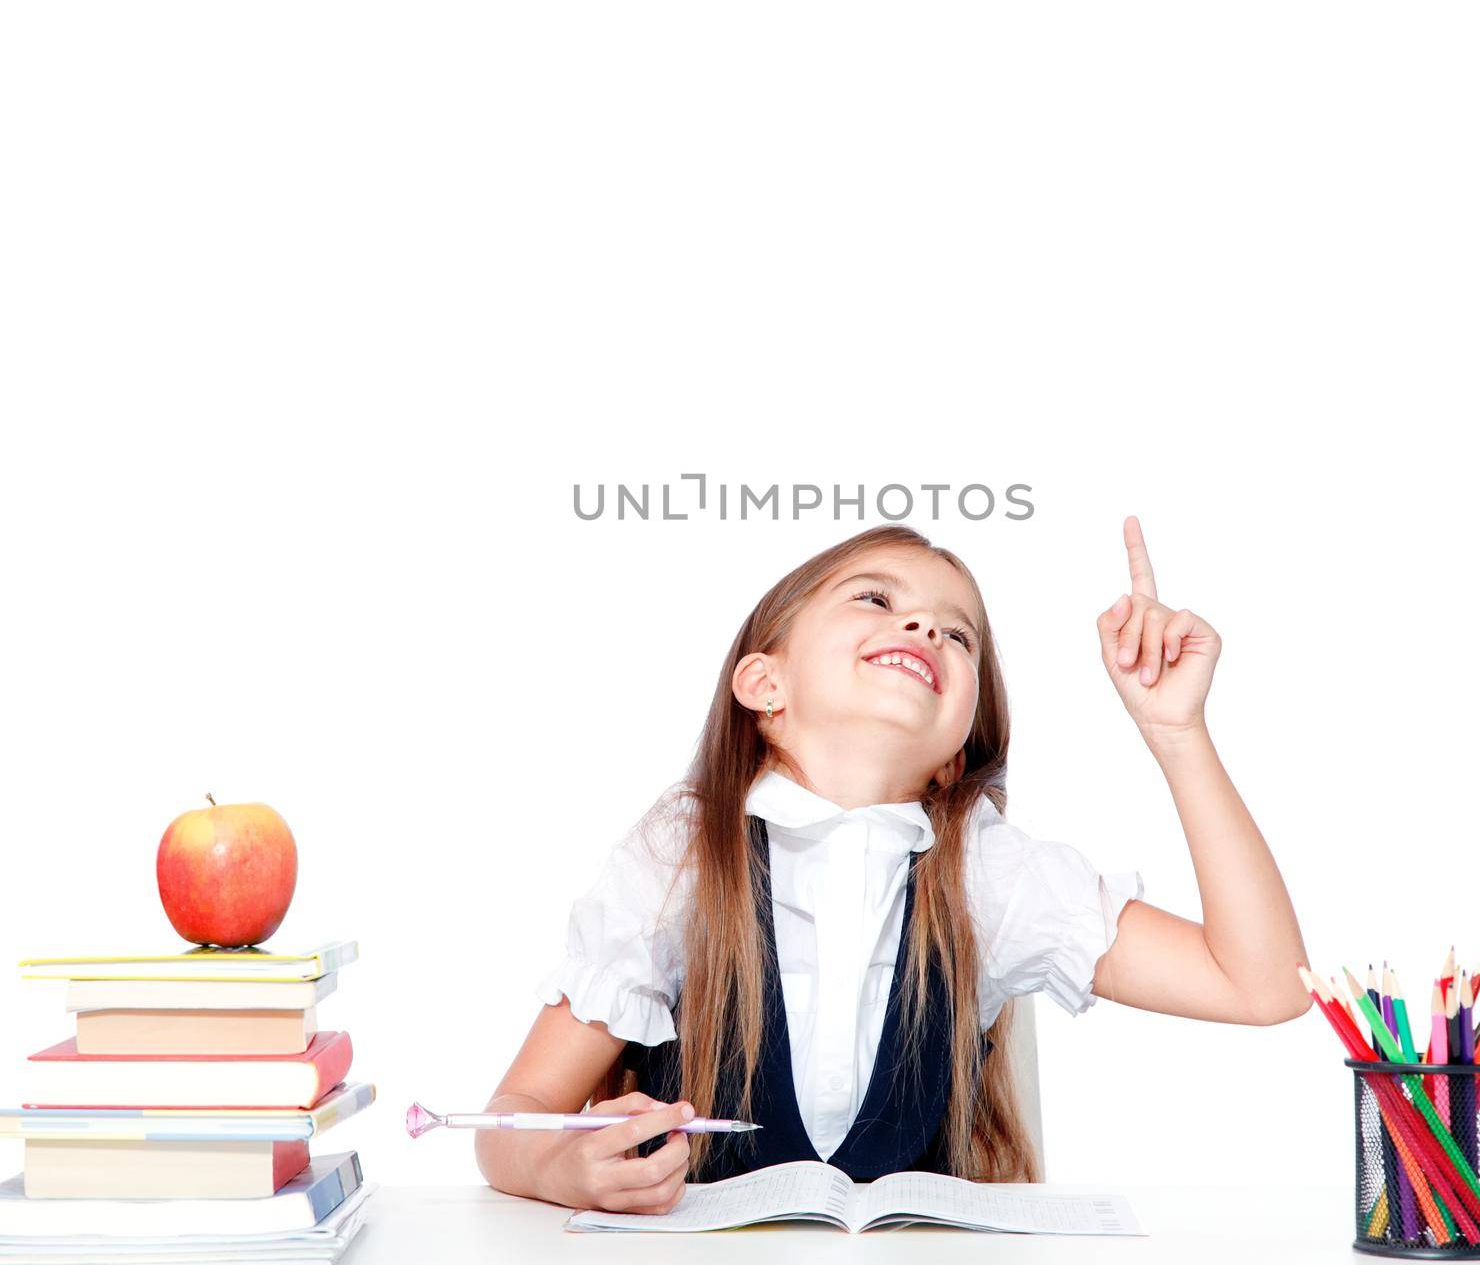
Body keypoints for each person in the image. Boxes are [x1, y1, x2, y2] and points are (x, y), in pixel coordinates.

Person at [477, 516, 1308, 1214]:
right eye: (877, 599)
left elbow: (1262, 985)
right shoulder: (686, 851)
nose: (924, 629)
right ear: (765, 684)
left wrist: (1177, 735)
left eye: (958, 634)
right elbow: (511, 1121)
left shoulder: (983, 870)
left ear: (955, 754)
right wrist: (562, 1169)